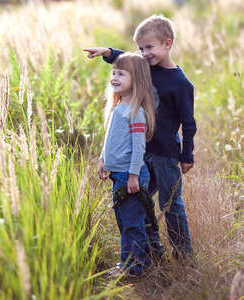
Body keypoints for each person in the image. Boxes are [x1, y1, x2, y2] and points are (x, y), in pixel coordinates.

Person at [84, 15, 196, 260]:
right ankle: (153, 251)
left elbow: (189, 124)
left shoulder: (181, 84)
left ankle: (183, 255)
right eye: (141, 48)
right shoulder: (145, 67)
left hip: (166, 154)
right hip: (142, 151)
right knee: (142, 200)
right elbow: (131, 61)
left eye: (149, 47)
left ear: (167, 44)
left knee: (170, 204)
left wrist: (187, 154)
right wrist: (109, 52)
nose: (144, 53)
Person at [98, 52, 156, 277]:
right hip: (118, 174)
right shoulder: (118, 107)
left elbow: (139, 148)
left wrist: (133, 175)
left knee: (132, 222)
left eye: (121, 74)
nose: (114, 77)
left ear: (137, 80)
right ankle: (140, 260)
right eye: (113, 73)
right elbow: (110, 139)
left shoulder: (136, 113)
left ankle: (133, 267)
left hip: (129, 175)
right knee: (124, 221)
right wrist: (103, 159)